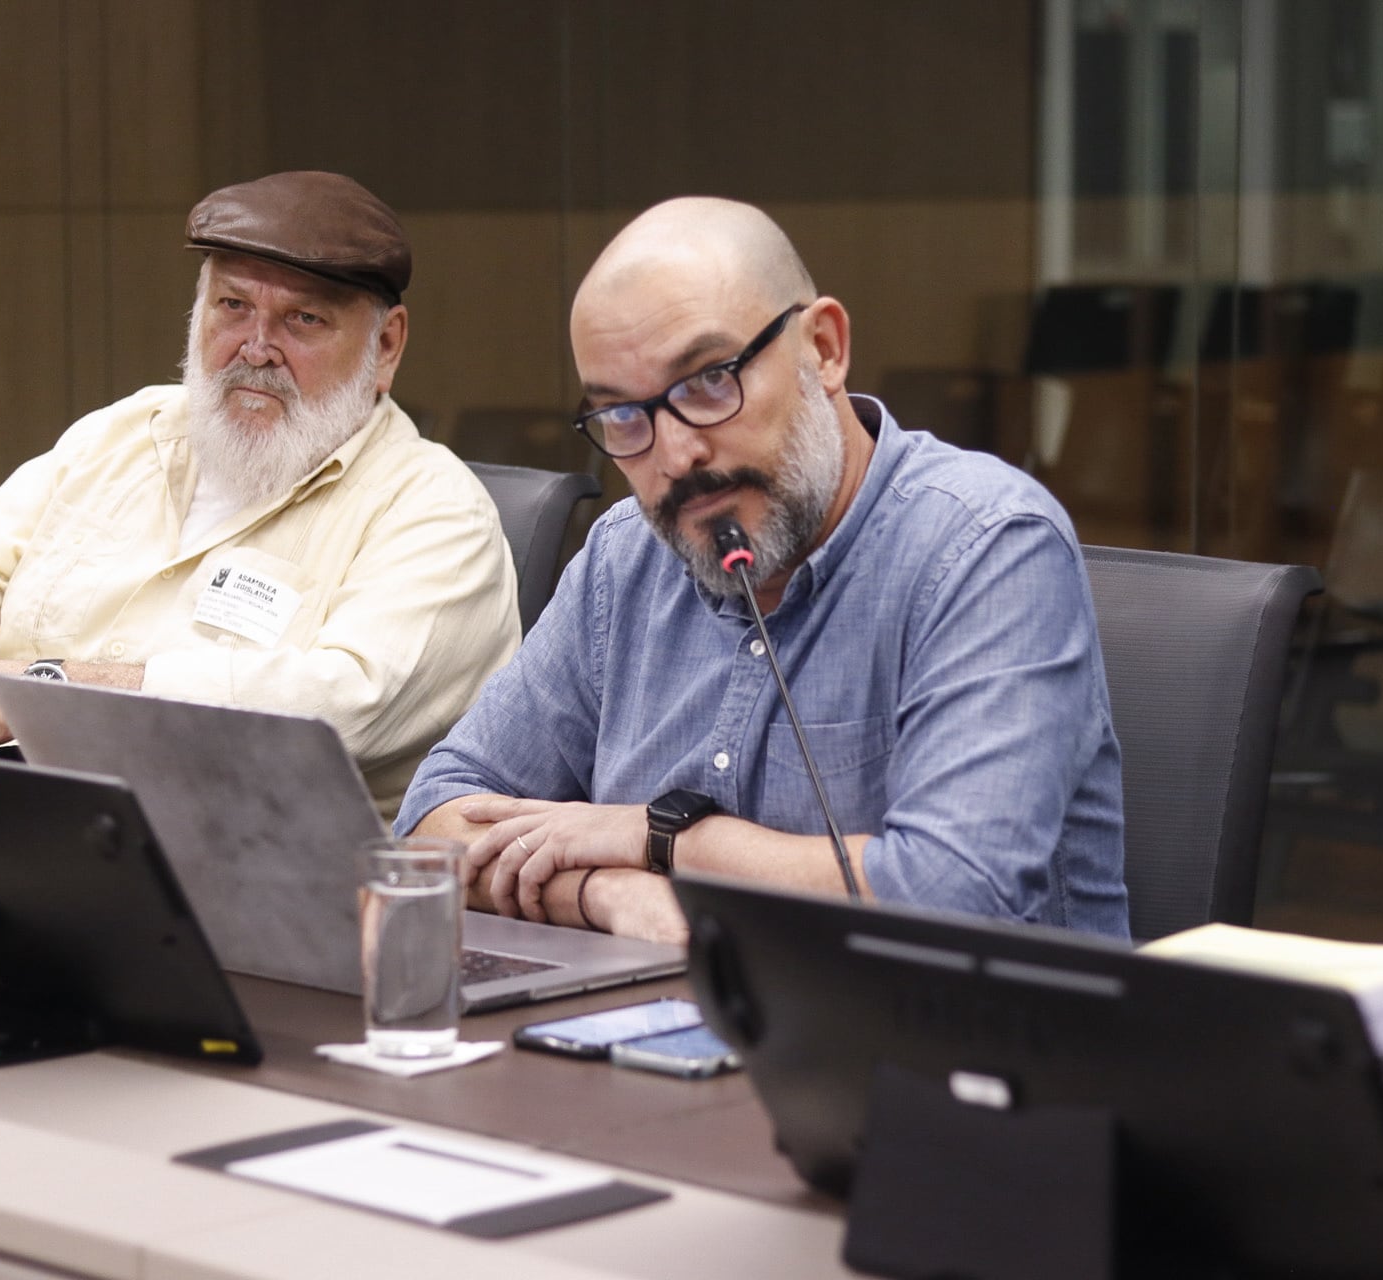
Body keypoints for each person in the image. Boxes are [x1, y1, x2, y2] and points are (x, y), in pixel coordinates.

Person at [396, 197, 1128, 941]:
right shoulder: (627, 556)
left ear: (825, 348)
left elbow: (956, 895)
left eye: (710, 381)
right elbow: (434, 818)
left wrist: (665, 839)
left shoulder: (987, 545)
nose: (676, 456)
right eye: (622, 415)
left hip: (931, 1014)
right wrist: (604, 894)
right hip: (646, 1006)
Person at [0, 171, 518, 816]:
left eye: (304, 319)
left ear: (387, 345)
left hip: (266, 866)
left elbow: (335, 706)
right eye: (233, 307)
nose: (256, 349)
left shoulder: (437, 511)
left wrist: (42, 695)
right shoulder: (122, 433)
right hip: (15, 828)